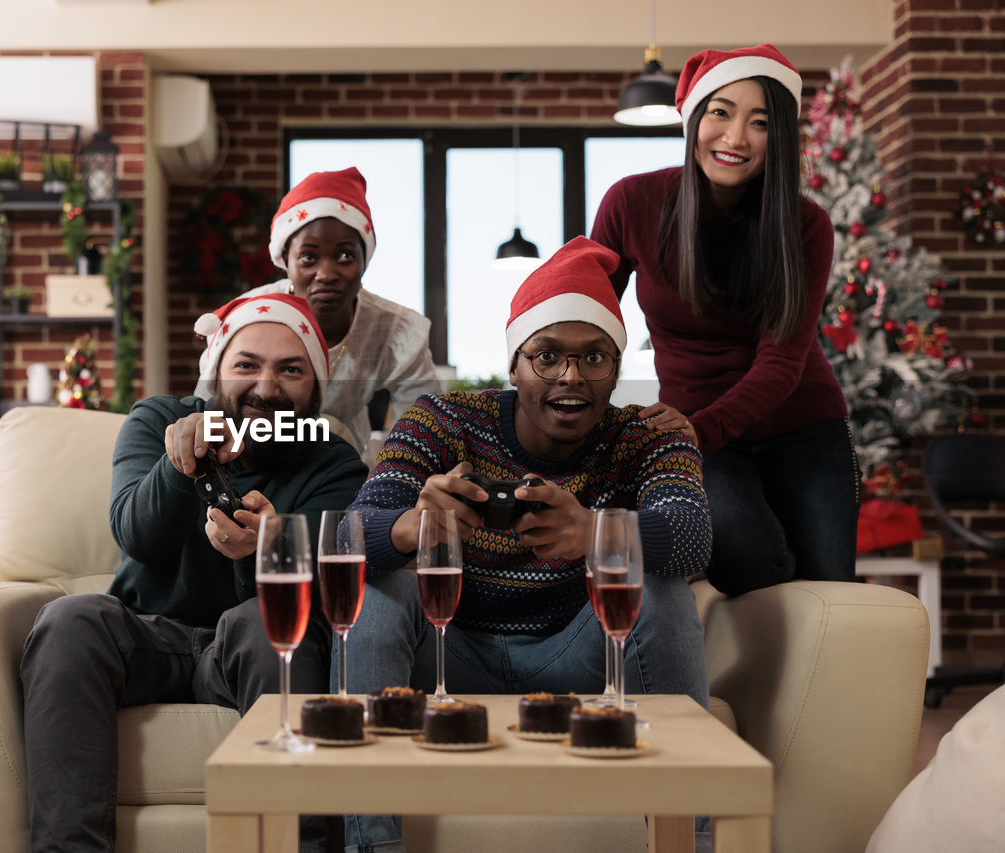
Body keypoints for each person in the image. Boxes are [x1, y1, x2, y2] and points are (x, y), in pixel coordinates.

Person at [339, 237, 712, 853]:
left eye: (595, 357)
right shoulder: (442, 420)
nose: (571, 375)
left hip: (579, 652)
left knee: (660, 584)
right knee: (376, 585)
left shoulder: (647, 434)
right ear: (514, 366)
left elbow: (695, 540)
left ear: (615, 371)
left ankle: (690, 842)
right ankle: (372, 846)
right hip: (447, 649)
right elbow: (353, 534)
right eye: (546, 357)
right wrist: (413, 526)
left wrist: (594, 533)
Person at [20, 293, 368, 853]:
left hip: (248, 643)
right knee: (70, 619)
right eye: (246, 365)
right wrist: (178, 464)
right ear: (215, 372)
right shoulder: (159, 419)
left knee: (270, 628)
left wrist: (266, 545)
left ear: (316, 390)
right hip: (145, 634)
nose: (266, 387)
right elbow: (136, 535)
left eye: (291, 369)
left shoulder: (332, 460)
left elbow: (323, 589)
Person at [590, 43, 859, 597]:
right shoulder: (632, 202)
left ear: (779, 136)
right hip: (702, 437)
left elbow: (783, 363)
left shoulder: (806, 225)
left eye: (759, 122)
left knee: (831, 602)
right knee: (753, 570)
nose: (735, 138)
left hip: (802, 426)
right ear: (694, 119)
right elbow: (590, 319)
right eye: (721, 112)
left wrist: (696, 429)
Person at [195, 166, 442, 454]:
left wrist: (387, 476)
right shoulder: (246, 320)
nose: (326, 273)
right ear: (286, 261)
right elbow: (204, 410)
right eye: (308, 257)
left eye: (345, 255)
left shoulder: (394, 330)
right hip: (249, 454)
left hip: (347, 458)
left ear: (365, 261)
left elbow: (423, 427)